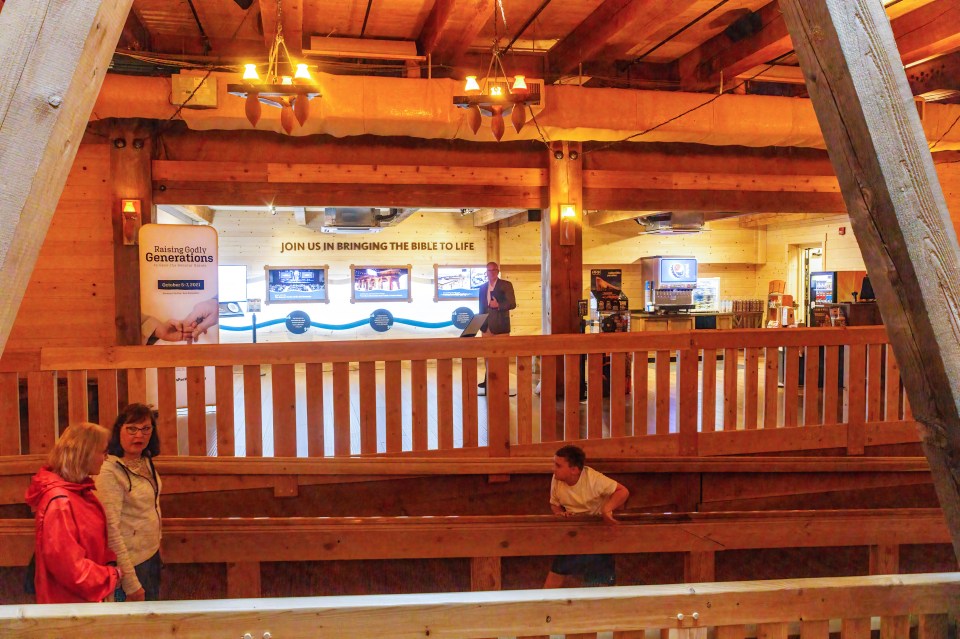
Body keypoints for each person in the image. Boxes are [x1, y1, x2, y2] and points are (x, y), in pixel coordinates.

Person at [25, 422, 121, 603]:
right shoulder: (60, 502)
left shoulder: (80, 492)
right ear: (85, 454)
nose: (106, 458)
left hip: (83, 601)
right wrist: (110, 575)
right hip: (69, 607)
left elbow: (93, 544)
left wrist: (108, 562)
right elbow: (70, 569)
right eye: (103, 452)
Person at [95, 404, 163, 601]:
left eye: (146, 429)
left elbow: (154, 505)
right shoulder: (109, 471)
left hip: (151, 554)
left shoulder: (145, 460)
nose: (139, 435)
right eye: (131, 429)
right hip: (130, 563)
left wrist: (159, 544)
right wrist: (131, 583)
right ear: (119, 430)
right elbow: (111, 530)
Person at [544, 445, 630, 589]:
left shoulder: (594, 479)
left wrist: (607, 510)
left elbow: (623, 491)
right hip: (572, 533)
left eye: (558, 465)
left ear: (574, 470)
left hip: (597, 534)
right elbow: (554, 504)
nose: (554, 469)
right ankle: (543, 608)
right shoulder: (556, 479)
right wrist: (560, 514)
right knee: (552, 581)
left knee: (598, 586)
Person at [478, 261, 516, 392]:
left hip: (501, 327)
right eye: (488, 271)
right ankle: (488, 381)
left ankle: (502, 383)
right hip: (486, 327)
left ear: (498, 271)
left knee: (501, 356)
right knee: (487, 356)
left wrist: (499, 305)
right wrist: (480, 324)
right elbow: (481, 308)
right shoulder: (482, 287)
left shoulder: (506, 285)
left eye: (493, 270)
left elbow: (512, 303)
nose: (491, 273)